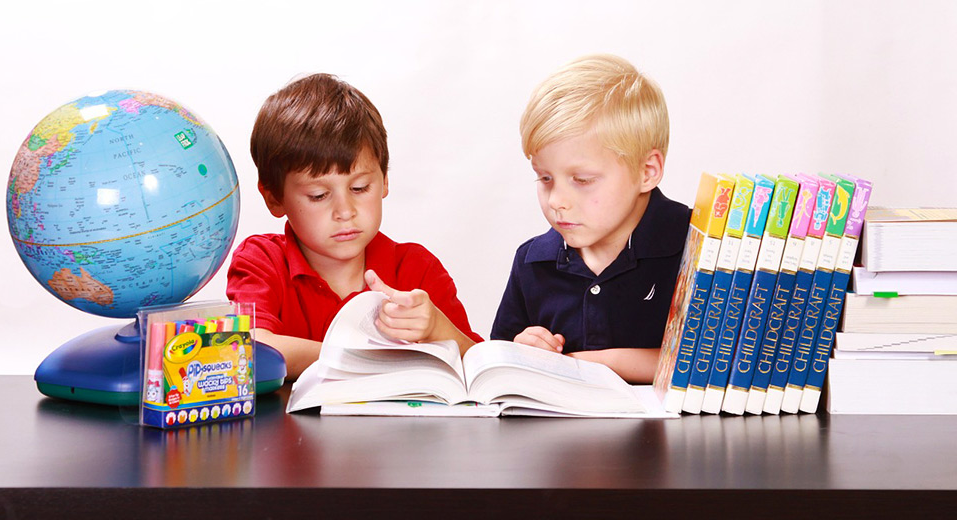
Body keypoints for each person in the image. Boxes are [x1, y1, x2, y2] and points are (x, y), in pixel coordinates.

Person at [227, 73, 481, 380]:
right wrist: (366, 357)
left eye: (360, 188)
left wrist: (437, 329)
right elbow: (251, 350)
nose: (345, 211)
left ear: (384, 179)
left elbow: (479, 366)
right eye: (318, 195)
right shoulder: (261, 262)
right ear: (274, 198)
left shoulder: (417, 269)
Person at [490, 54, 691, 384]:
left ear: (647, 171)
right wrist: (521, 350)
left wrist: (599, 363)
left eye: (581, 180)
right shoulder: (532, 262)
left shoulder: (699, 246)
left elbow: (716, 363)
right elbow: (496, 367)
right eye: (544, 178)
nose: (556, 201)